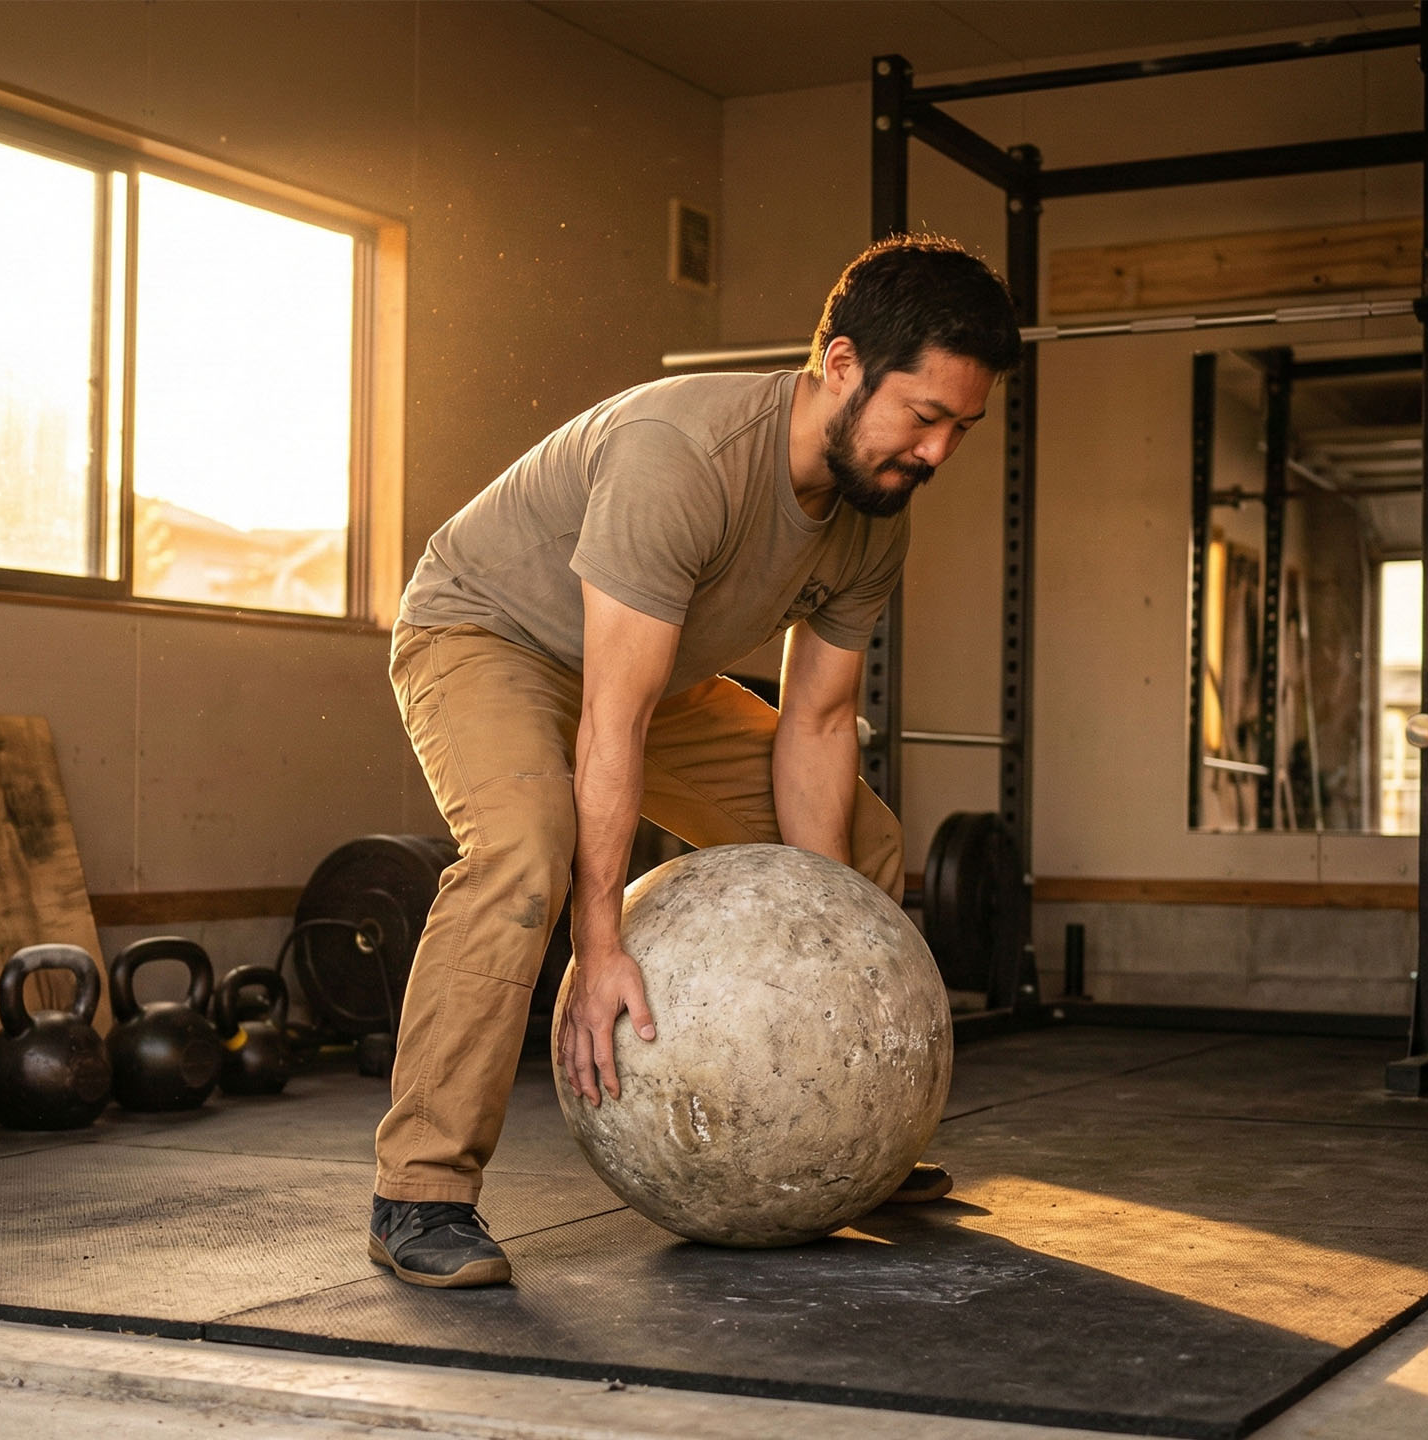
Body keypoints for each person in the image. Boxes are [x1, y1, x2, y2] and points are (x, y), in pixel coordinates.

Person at [370, 234, 1022, 1288]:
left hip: (646, 676)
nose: (938, 452)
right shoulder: (683, 454)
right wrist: (594, 956)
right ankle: (421, 1190)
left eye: (961, 427)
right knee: (523, 854)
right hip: (490, 637)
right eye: (924, 416)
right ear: (843, 366)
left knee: (860, 833)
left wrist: (831, 1000)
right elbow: (609, 725)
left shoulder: (871, 518)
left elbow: (812, 725)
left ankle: (847, 1130)